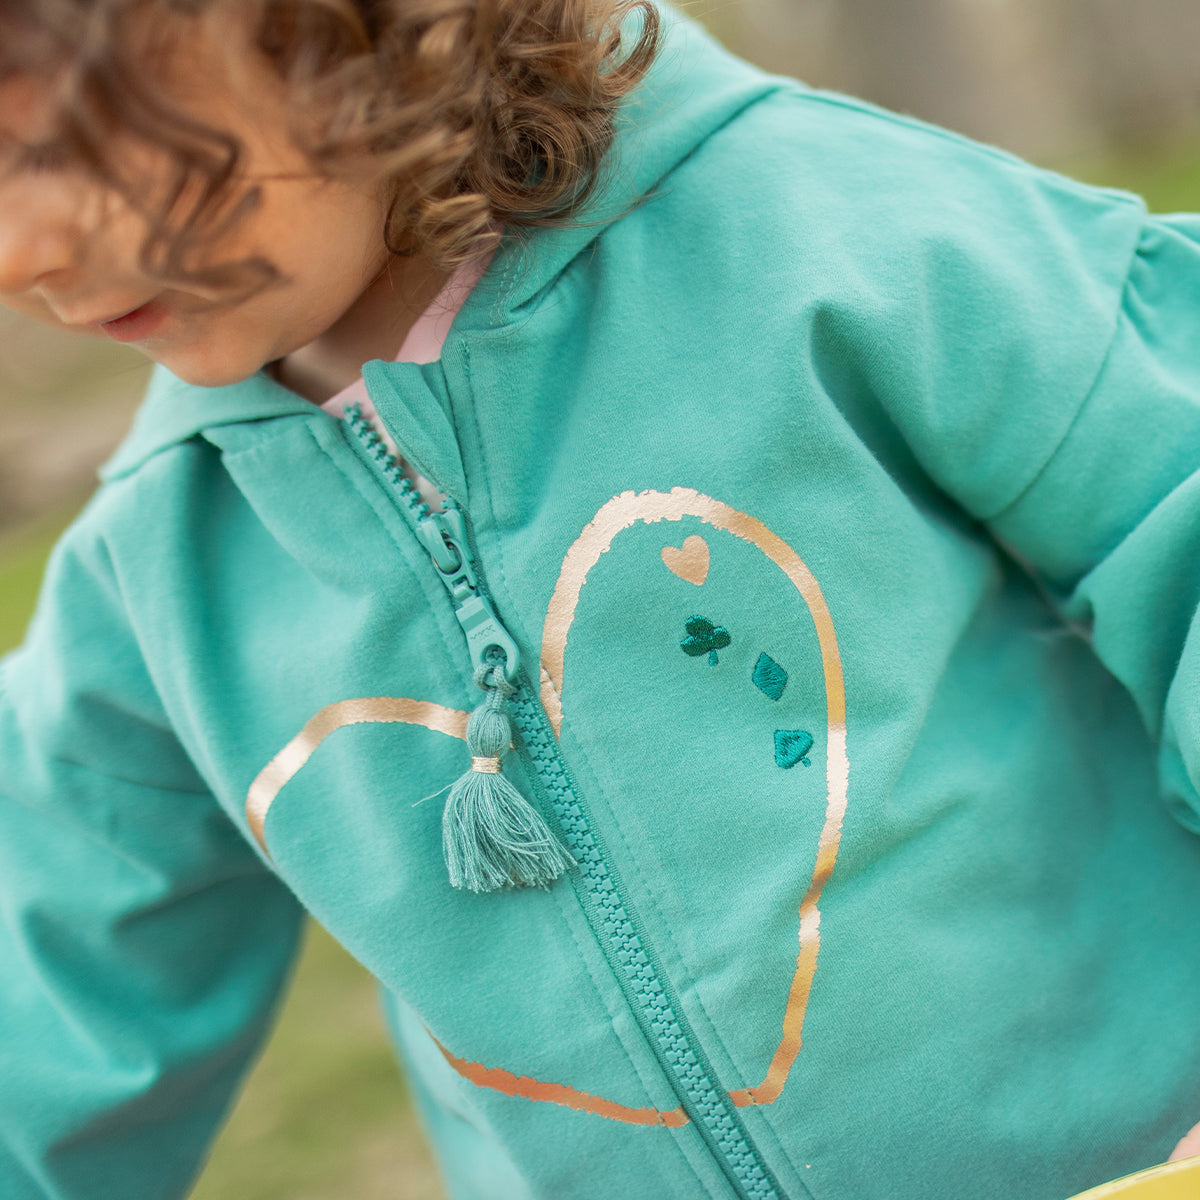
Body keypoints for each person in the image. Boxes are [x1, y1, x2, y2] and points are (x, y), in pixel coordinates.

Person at [3, 0, 1200, 1197]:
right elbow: (48, 1010)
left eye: (68, 142)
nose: (14, 250)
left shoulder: (827, 238)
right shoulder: (153, 579)